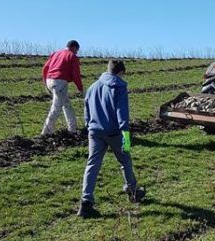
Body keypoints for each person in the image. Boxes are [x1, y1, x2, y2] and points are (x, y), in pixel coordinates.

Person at [77, 60, 145, 218]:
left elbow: (86, 108)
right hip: (114, 132)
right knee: (125, 160)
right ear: (120, 72)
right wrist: (126, 137)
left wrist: (89, 125)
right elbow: (122, 115)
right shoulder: (119, 87)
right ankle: (133, 192)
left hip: (94, 131)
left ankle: (86, 202)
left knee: (92, 165)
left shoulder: (93, 86)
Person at [41, 40, 83, 135]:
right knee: (56, 107)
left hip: (50, 80)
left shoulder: (55, 54)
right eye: (77, 50)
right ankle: (46, 132)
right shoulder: (72, 56)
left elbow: (45, 68)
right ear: (74, 47)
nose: (76, 52)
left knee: (66, 105)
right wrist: (80, 88)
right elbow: (76, 75)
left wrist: (46, 84)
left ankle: (72, 129)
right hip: (60, 82)